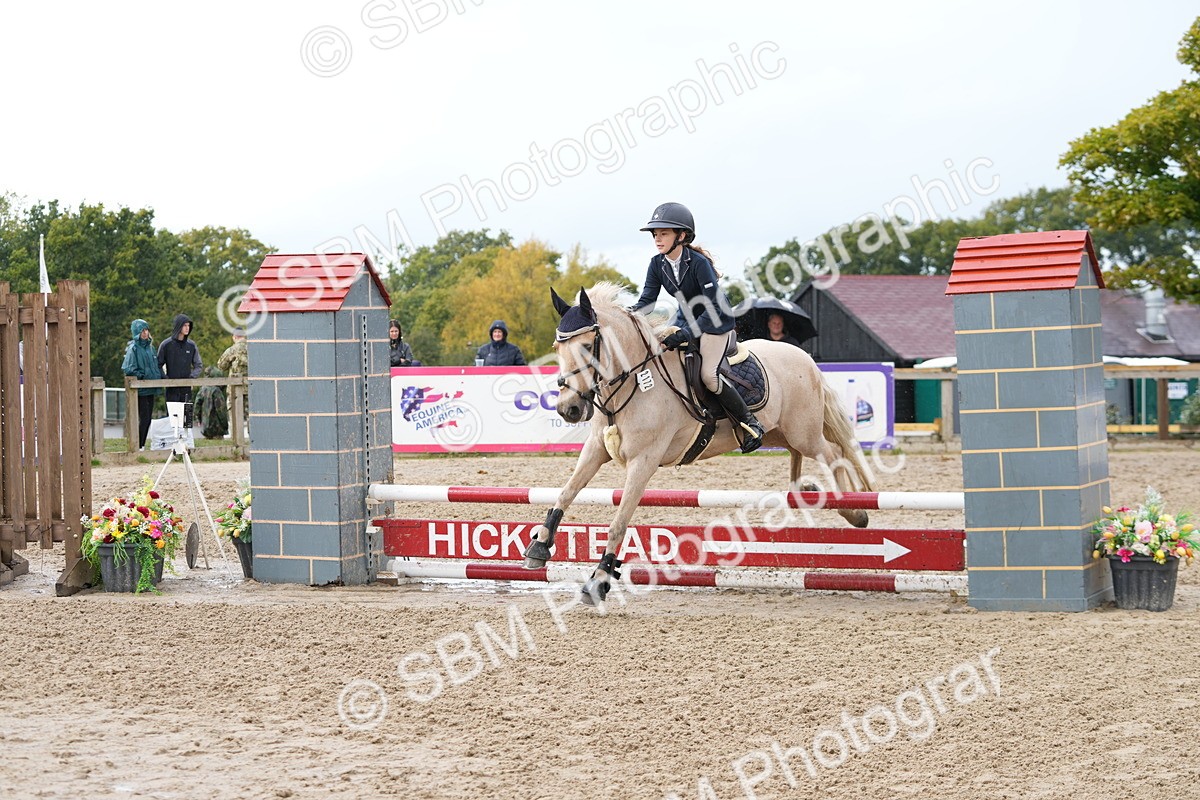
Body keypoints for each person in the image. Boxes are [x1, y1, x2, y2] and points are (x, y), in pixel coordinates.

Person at [628, 201, 763, 453]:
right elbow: (646, 302)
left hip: (715, 323)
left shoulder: (699, 263)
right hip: (685, 318)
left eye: (663, 233)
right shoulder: (657, 264)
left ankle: (749, 423)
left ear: (682, 235)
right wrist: (624, 317)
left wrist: (686, 334)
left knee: (708, 376)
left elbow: (711, 306)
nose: (657, 239)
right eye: (655, 234)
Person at [121, 319, 163, 450]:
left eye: (146, 330)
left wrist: (159, 377)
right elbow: (128, 368)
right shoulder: (133, 349)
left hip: (151, 388)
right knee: (143, 419)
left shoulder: (151, 348)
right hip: (139, 389)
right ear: (137, 332)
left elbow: (156, 367)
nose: (145, 333)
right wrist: (142, 375)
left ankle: (142, 444)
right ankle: (138, 445)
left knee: (148, 419)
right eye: (142, 330)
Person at [157, 313, 202, 404]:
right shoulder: (166, 345)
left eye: (188, 325)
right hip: (171, 390)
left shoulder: (191, 345)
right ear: (178, 326)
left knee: (187, 416)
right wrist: (165, 378)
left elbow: (198, 365)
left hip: (187, 390)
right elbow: (158, 364)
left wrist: (191, 377)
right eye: (184, 325)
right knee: (173, 416)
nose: (187, 328)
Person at [217, 326, 249, 422]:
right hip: (251, 388)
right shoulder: (253, 348)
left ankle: (236, 437)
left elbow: (221, 366)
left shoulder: (232, 350)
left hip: (234, 389)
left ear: (234, 337)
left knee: (235, 418)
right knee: (251, 417)